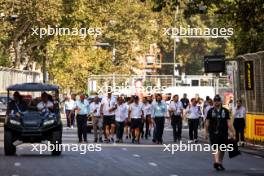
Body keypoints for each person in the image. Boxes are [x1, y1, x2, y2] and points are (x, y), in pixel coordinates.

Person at [205, 95, 235, 171]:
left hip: (223, 132)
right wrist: (206, 132)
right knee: (215, 146)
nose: (216, 102)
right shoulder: (210, 111)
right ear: (213, 102)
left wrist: (232, 131)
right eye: (215, 101)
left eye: (218, 101)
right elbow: (207, 122)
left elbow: (228, 122)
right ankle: (216, 162)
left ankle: (220, 163)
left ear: (220, 102)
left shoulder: (225, 111)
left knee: (222, 148)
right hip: (213, 132)